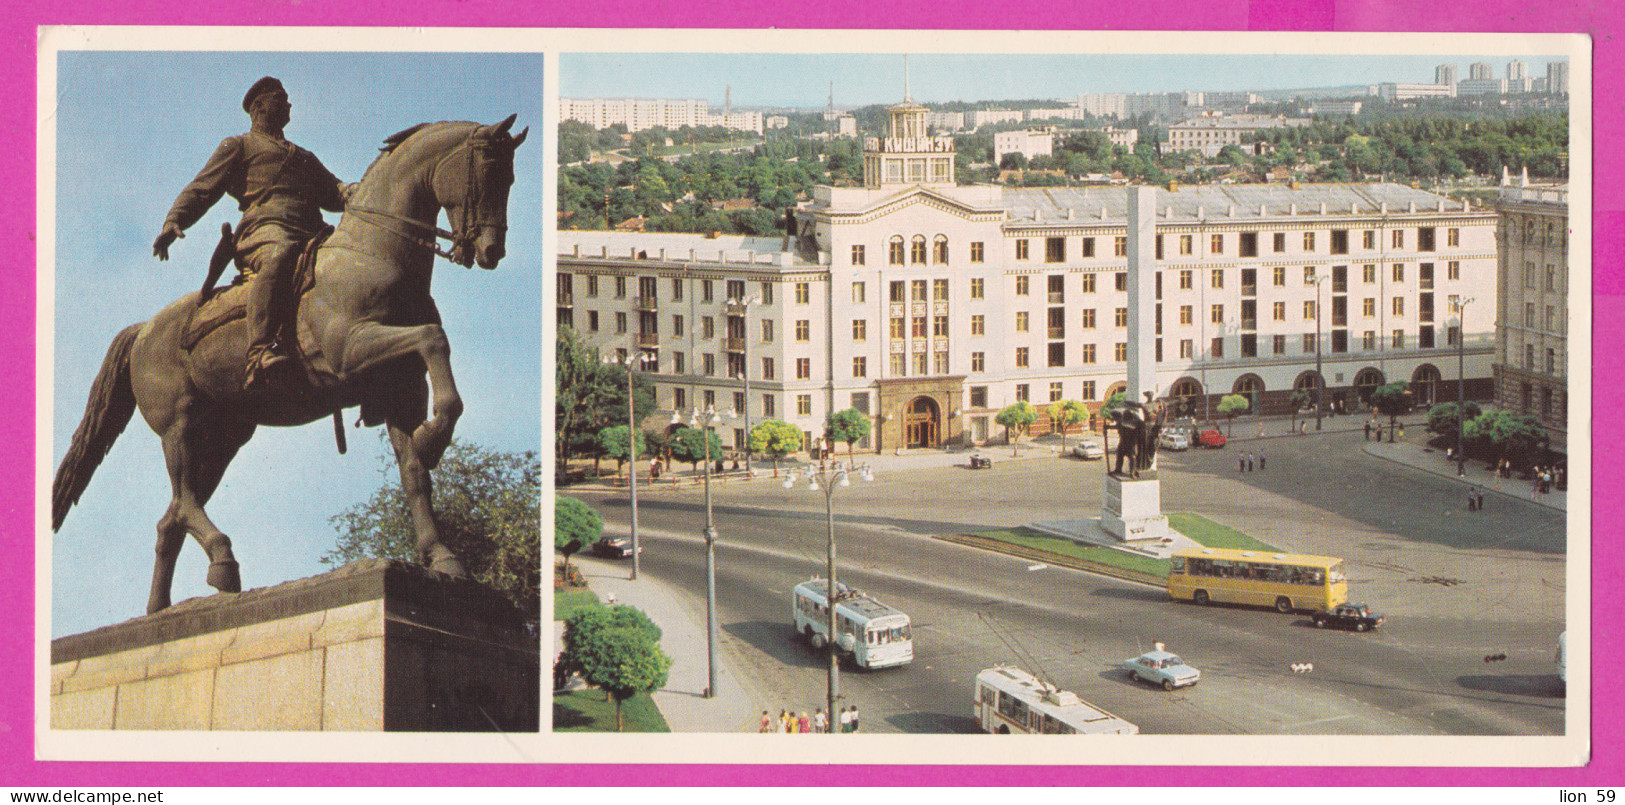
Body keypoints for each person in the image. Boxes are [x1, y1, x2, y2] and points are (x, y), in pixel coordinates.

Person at [154, 77, 352, 392]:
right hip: (266, 228)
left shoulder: (303, 156)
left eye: (287, 98)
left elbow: (335, 193)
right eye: (280, 98)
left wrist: (357, 189)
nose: (288, 103)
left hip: (313, 231)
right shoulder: (239, 145)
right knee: (280, 255)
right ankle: (258, 350)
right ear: (259, 106)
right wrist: (174, 219)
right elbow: (202, 188)